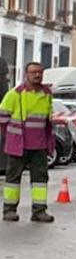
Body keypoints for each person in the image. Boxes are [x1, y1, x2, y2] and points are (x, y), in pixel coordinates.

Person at [0, 61, 54, 222]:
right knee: (13, 180)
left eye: (39, 72)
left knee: (40, 180)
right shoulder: (15, 94)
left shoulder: (47, 94)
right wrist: (10, 137)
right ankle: (9, 210)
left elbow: (47, 120)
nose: (37, 75)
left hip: (39, 145)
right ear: (26, 74)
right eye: (33, 72)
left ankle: (39, 211)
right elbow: (2, 117)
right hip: (19, 145)